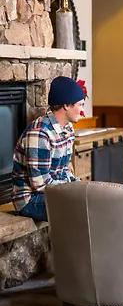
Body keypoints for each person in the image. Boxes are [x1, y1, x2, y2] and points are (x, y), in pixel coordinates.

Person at [11, 76, 86, 221]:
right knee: (80, 207)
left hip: (53, 193)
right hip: (31, 199)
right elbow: (40, 184)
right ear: (66, 105)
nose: (82, 111)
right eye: (80, 105)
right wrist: (73, 191)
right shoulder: (40, 133)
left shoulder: (68, 129)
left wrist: (79, 187)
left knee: (91, 199)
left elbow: (64, 170)